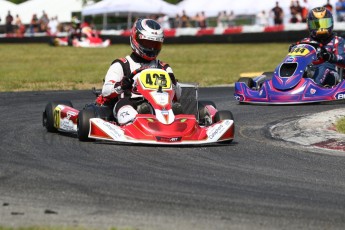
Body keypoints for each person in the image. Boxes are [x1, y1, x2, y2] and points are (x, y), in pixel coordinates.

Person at [96, 18, 182, 125]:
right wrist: (121, 86)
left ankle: (173, 122)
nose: (151, 48)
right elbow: (105, 91)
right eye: (147, 43)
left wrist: (174, 84)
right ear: (136, 39)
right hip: (130, 104)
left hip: (160, 106)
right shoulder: (122, 65)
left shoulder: (164, 67)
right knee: (124, 105)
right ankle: (133, 121)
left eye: (155, 45)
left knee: (175, 107)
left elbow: (178, 96)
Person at [289, 7, 345, 87]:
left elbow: (343, 58)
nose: (321, 28)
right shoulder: (305, 42)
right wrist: (293, 50)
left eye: (324, 23)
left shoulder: (337, 41)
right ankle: (284, 87)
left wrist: (329, 56)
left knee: (324, 67)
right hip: (310, 71)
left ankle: (312, 89)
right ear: (309, 25)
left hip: (332, 74)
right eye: (316, 24)